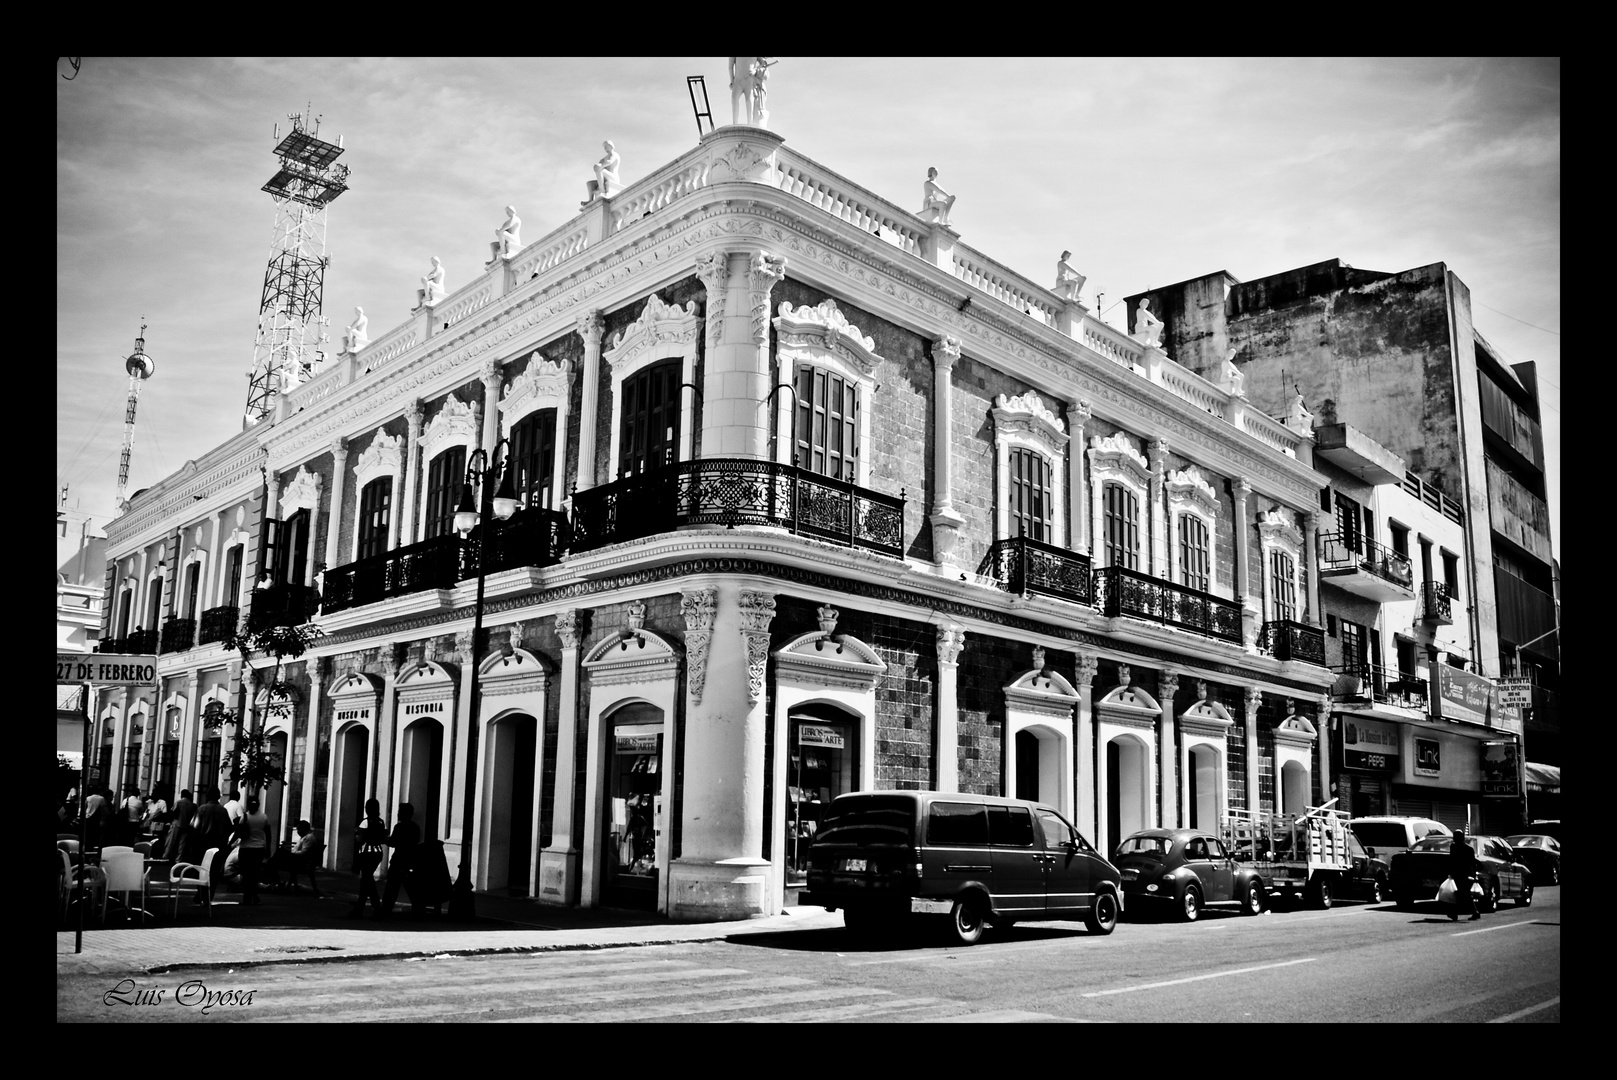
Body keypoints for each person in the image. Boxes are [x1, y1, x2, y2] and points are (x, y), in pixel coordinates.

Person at [378, 803, 421, 919]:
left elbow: (394, 842)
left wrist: (384, 839)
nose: (398, 814)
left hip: (399, 859)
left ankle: (385, 911)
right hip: (410, 859)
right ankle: (418, 909)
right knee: (411, 887)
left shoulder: (400, 827)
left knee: (392, 887)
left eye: (400, 812)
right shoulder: (415, 827)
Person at [346, 799, 387, 919]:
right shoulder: (380, 822)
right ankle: (360, 908)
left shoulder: (365, 822)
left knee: (368, 880)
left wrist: (357, 832)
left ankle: (376, 908)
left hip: (366, 853)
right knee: (366, 880)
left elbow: (359, 839)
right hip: (378, 852)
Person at [235, 795, 271, 906]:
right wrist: (268, 848)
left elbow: (238, 832)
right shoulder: (264, 817)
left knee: (246, 874)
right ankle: (254, 895)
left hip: (245, 849)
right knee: (254, 874)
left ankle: (247, 897)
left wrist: (230, 843)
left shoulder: (244, 817)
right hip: (259, 849)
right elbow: (268, 834)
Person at [1448, 827, 1480, 921]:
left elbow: (1472, 863)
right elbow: (1451, 860)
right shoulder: (1453, 847)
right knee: (1459, 894)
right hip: (1456, 874)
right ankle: (1456, 913)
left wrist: (1474, 875)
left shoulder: (1468, 849)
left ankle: (1473, 912)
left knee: (1463, 894)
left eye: (1456, 837)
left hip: (1464, 874)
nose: (1454, 838)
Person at [164, 788, 196, 862]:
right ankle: (178, 859)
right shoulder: (191, 804)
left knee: (171, 841)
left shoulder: (179, 802)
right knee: (182, 843)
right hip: (186, 825)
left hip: (177, 823)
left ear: (182, 795)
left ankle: (166, 856)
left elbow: (173, 812)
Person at [82, 786, 108, 851]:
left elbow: (84, 807)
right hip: (96, 818)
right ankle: (92, 847)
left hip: (87, 817)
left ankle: (87, 847)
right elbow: (103, 809)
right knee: (94, 835)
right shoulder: (102, 799)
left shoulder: (88, 798)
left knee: (87, 835)